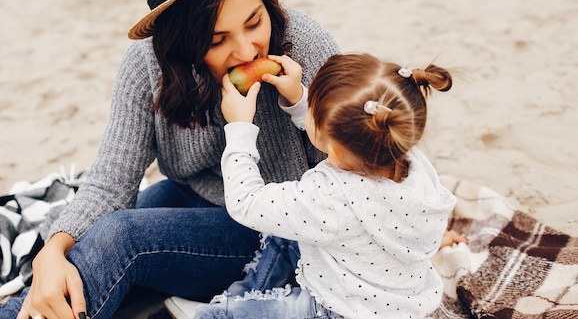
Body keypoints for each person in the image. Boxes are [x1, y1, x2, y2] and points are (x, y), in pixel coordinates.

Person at [0, 0, 340, 319]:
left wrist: (298, 103)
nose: (246, 50)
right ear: (181, 43)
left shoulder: (305, 44)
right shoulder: (147, 68)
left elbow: (356, 163)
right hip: (202, 197)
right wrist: (52, 250)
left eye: (254, 22)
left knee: (121, 237)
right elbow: (109, 182)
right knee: (95, 232)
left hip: (282, 229)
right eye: (216, 40)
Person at [193, 52, 459, 318]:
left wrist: (239, 127)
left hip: (335, 310)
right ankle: (247, 294)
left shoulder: (328, 197)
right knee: (287, 235)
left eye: (312, 112)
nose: (308, 113)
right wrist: (298, 98)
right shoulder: (408, 157)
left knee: (216, 316)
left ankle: (238, 302)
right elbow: (341, 131)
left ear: (334, 147)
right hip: (394, 302)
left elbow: (247, 203)